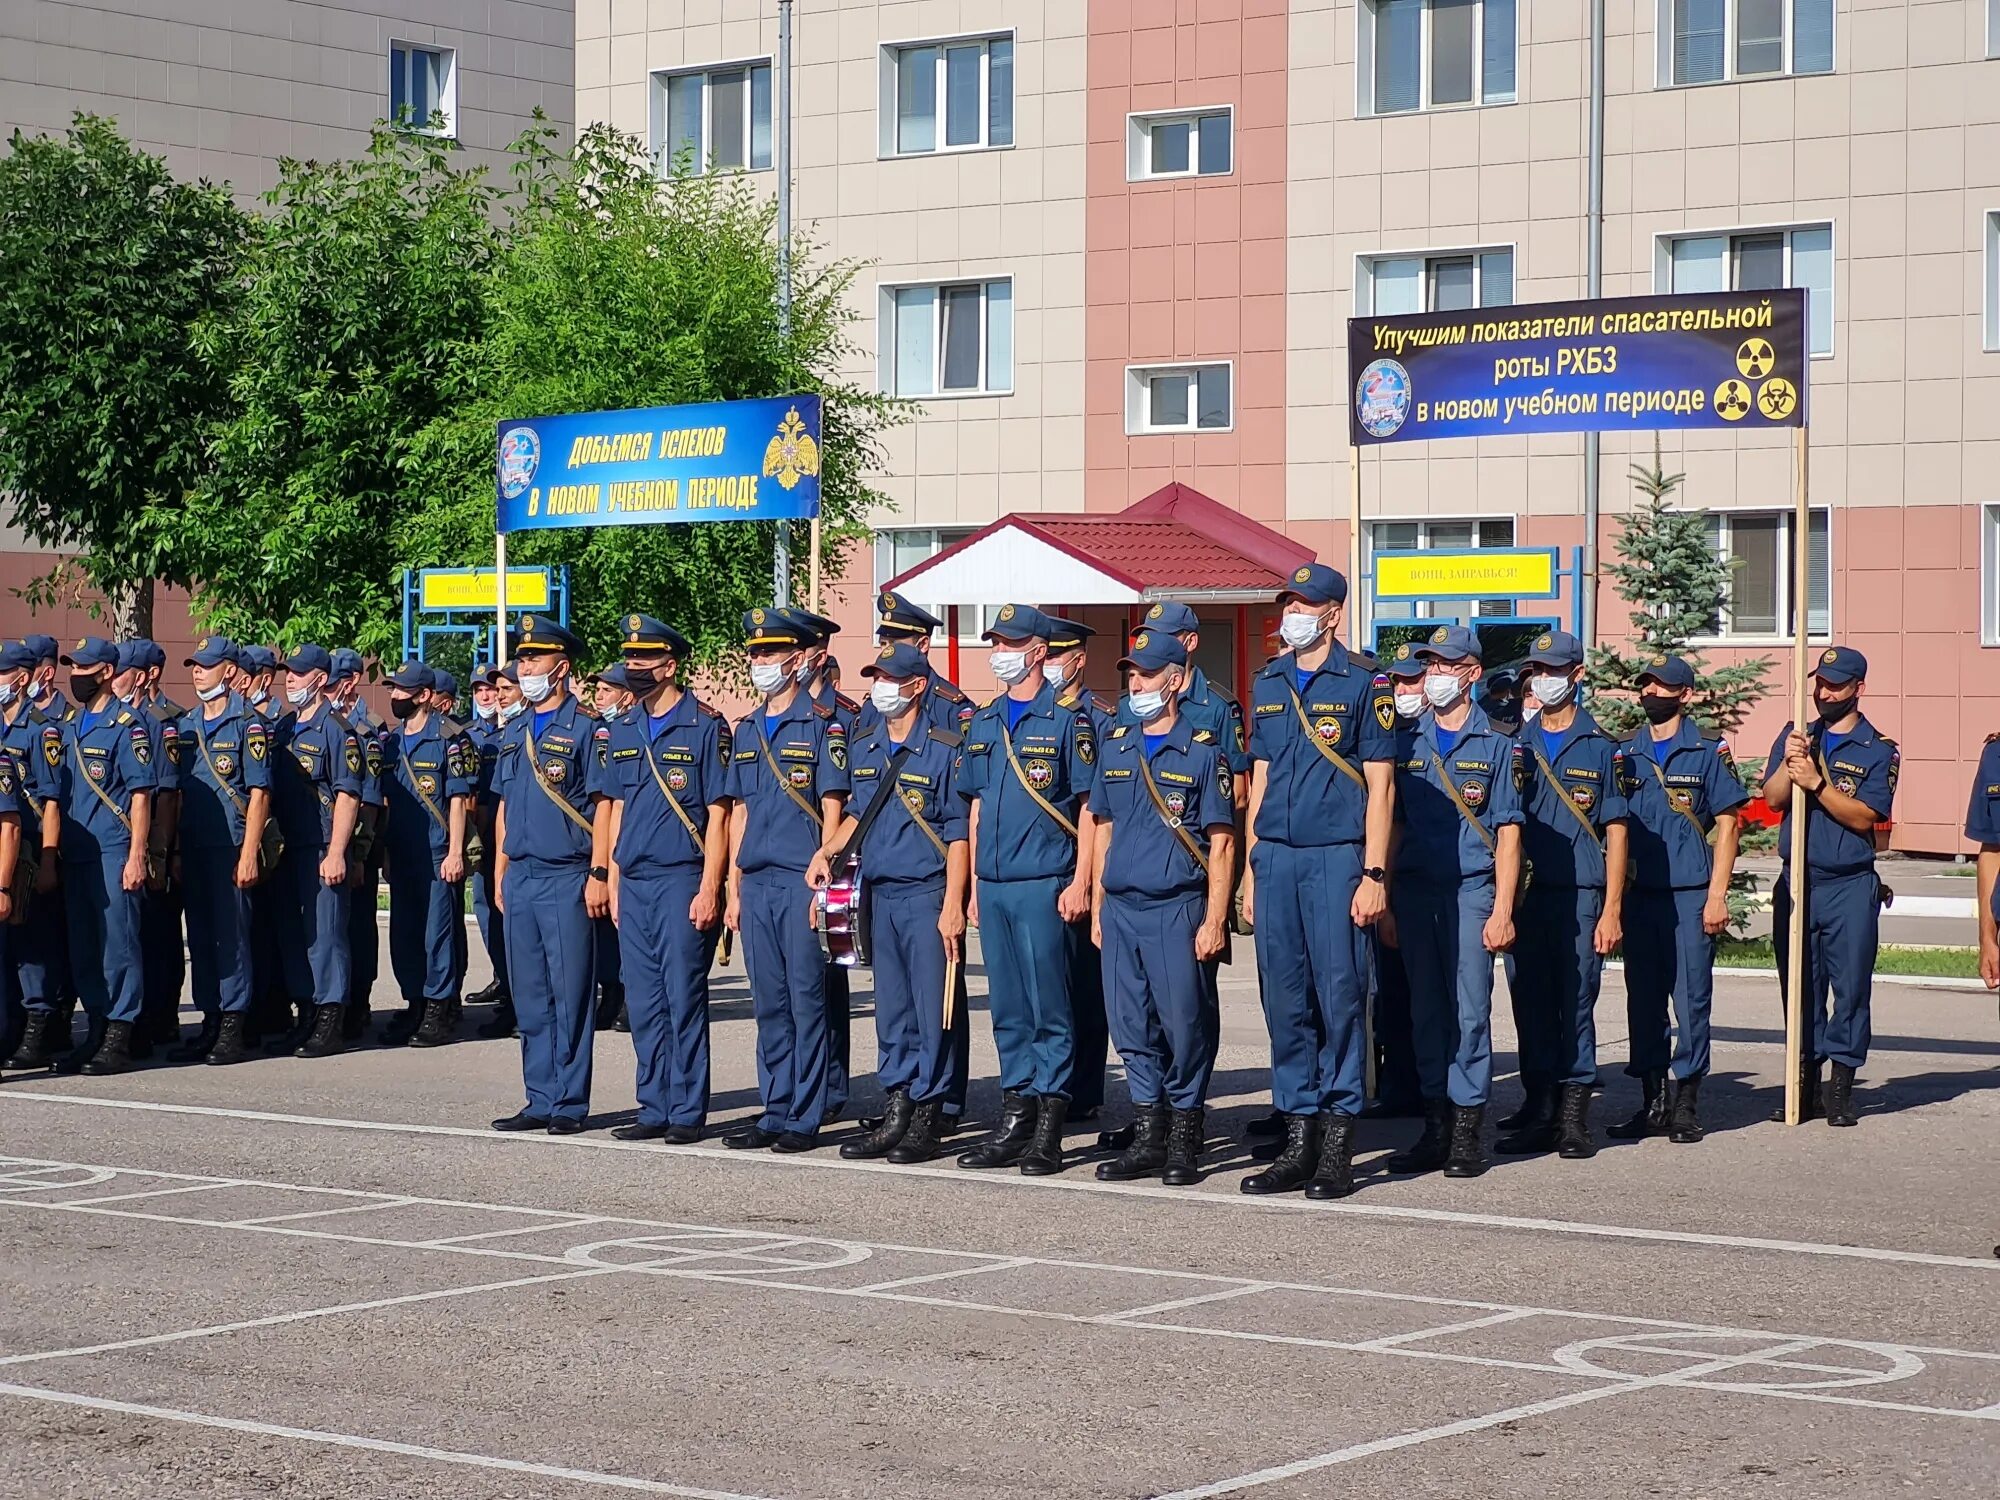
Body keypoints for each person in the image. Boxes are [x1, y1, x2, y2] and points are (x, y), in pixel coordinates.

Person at [1237, 564, 1396, 1200]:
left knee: (1341, 998)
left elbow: (1382, 786)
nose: (1291, 616)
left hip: (1337, 858)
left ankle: (1336, 1145)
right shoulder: (1269, 680)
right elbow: (1262, 781)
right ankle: (1297, 1138)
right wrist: (1252, 867)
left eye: (1304, 606)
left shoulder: (1365, 682)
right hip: (1277, 858)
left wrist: (1374, 873)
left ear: (1331, 613)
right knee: (1284, 1000)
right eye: (1288, 606)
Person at [808, 640, 968, 1162]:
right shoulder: (869, 744)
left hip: (926, 892)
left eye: (890, 678)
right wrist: (827, 852)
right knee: (891, 1009)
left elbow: (959, 834)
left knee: (929, 1007)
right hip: (882, 893)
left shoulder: (944, 748)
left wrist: (954, 903)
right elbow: (859, 812)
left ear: (917, 686)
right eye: (875, 677)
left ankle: (929, 1110)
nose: (880, 687)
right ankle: (897, 1102)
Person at [1086, 632, 1236, 1186]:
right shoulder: (1117, 746)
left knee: (1184, 1026)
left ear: (1173, 680)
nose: (1136, 686)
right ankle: (1148, 1132)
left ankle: (1183, 1134)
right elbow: (1103, 827)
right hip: (1122, 907)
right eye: (1131, 677)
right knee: (1130, 1026)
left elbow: (1221, 841)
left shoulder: (1202, 752)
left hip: (1177, 907)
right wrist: (1100, 905)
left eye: (1146, 676)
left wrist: (1215, 918)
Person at [954, 604, 1096, 1176]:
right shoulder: (985, 722)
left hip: (1045, 881)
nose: (999, 653)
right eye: (995, 642)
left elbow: (1089, 808)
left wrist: (1083, 879)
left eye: (1010, 643)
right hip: (994, 884)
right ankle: (1015, 1113)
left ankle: (1050, 1125)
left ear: (1038, 651)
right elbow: (976, 805)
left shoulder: (1066, 721)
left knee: (1050, 1007)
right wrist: (969, 887)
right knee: (1009, 1009)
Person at [1385, 625, 1524, 1179]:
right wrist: (1389, 897)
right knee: (1426, 1010)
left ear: (1470, 673)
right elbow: (1392, 826)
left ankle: (1467, 1131)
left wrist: (1503, 909)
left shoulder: (1496, 745)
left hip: (1470, 890)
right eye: (1430, 667)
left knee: (1469, 1011)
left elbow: (1510, 834)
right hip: (1416, 890)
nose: (1433, 676)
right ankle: (1435, 1124)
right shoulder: (1406, 741)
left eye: (1444, 666)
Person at [1495, 631, 1629, 1159]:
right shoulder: (1515, 743)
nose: (1542, 680)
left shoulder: (1602, 748)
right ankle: (1540, 1106)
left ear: (1577, 676)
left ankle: (1573, 1117)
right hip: (1529, 895)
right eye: (1536, 671)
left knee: (1574, 1005)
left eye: (1552, 671)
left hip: (1579, 895)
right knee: (1530, 1003)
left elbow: (1617, 832)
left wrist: (1612, 909)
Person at [722, 607, 849, 1152]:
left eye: (769, 654)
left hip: (802, 880)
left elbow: (834, 805)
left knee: (806, 999)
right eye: (755, 654)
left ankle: (805, 1111)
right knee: (769, 1002)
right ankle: (774, 1107)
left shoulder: (823, 724)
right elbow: (740, 812)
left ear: (797, 660)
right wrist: (731, 884)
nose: (760, 663)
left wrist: (826, 871)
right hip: (756, 881)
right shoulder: (747, 728)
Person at [601, 616, 729, 1144]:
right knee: (645, 1000)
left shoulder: (705, 724)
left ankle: (685, 1109)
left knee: (682, 996)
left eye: (644, 660)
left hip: (682, 878)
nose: (633, 667)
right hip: (634, 880)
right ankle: (652, 1105)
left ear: (669, 665)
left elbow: (719, 814)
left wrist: (710, 888)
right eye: (629, 659)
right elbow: (615, 807)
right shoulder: (625, 727)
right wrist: (609, 880)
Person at [1759, 646, 1897, 1129]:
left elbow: (1867, 816)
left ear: (1858, 688)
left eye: (1835, 685)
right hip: (1797, 882)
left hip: (1849, 885)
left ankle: (1841, 1087)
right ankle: (1804, 1084)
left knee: (1851, 988)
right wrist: (1791, 762)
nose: (1823, 693)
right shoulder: (1797, 733)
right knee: (1799, 986)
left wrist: (1817, 783)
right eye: (1819, 683)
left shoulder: (1878, 749)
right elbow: (1772, 798)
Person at [1613, 655, 1747, 1144]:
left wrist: (1717, 896)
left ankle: (1686, 1101)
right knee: (1643, 1001)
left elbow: (1731, 823)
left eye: (1662, 686)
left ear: (1685, 695)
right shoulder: (1624, 751)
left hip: (1691, 895)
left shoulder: (1709, 751)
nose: (1652, 692)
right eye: (1646, 683)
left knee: (1691, 1001)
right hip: (1640, 896)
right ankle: (1651, 1102)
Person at [491, 615, 611, 1136]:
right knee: (530, 993)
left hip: (566, 873)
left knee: (570, 991)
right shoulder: (515, 729)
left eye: (533, 660)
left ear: (560, 669)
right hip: (520, 875)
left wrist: (599, 870)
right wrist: (499, 869)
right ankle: (538, 1096)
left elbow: (605, 804)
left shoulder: (587, 728)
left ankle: (568, 1100)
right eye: (522, 660)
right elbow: (502, 808)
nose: (524, 668)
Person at [48, 637, 158, 1075]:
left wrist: (137, 855)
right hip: (78, 854)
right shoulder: (72, 724)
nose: (76, 675)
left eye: (85, 668)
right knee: (85, 947)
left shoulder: (127, 725)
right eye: (73, 667)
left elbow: (141, 796)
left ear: (107, 672)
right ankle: (95, 1027)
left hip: (114, 851)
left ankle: (119, 1032)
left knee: (119, 946)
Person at [170, 637, 274, 1065]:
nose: (198, 672)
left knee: (232, 937)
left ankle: (234, 1022)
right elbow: (175, 794)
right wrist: (174, 849)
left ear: (229, 672)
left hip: (231, 845)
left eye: (207, 666)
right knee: (200, 935)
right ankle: (210, 1018)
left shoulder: (247, 724)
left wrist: (250, 852)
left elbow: (260, 793)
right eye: (195, 665)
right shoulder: (187, 723)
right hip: (194, 845)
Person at [268, 645, 365, 1059]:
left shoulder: (337, 730)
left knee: (326, 937)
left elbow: (347, 795)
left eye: (299, 673)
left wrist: (339, 851)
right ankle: (305, 1011)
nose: (290, 679)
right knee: (294, 935)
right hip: (288, 846)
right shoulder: (286, 726)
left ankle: (330, 1016)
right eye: (288, 672)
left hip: (322, 845)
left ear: (320, 679)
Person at [1042, 617, 1117, 1126]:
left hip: (1078, 864)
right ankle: (1049, 1086)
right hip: (1040, 867)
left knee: (1084, 987)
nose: (1049, 665)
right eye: (1043, 654)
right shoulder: (1033, 718)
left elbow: (1101, 807)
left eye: (1057, 655)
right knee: (1047, 989)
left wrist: (1089, 879)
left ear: (1078, 659)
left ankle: (1084, 1087)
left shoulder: (1100, 719)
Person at [785, 607, 860, 1121]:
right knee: (794, 991)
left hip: (831, 862)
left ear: (819, 655)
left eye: (802, 650)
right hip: (782, 862)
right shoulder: (776, 714)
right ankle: (800, 1085)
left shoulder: (846, 718)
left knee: (826, 982)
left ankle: (831, 1086)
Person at [381, 660, 474, 1049]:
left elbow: (458, 800)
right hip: (402, 851)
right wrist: (385, 851)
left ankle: (439, 1006)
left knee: (438, 934)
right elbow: (386, 800)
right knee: (405, 933)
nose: (394, 696)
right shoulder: (391, 742)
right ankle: (415, 1001)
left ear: (423, 696)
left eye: (402, 690)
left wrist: (455, 851)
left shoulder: (450, 738)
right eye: (393, 689)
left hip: (437, 851)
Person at [1365, 644, 1429, 1119]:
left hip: (1429, 881)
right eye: (1398, 682)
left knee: (1429, 993)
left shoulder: (1435, 735)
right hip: (1391, 880)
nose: (1404, 691)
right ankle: (1398, 1086)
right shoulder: (1384, 735)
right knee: (1390, 992)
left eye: (1413, 681)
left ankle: (1435, 1092)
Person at [0, 639, 69, 1071]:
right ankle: (11, 1026)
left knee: (34, 946)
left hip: (31, 848)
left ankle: (39, 1026)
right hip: (6, 847)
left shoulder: (42, 729)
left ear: (21, 679)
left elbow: (53, 801)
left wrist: (47, 860)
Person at [329, 648, 389, 1042]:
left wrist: (360, 854)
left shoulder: (370, 730)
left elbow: (369, 800)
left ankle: (359, 1002)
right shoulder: (322, 724)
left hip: (358, 845)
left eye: (334, 682)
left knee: (358, 926)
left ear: (349, 683)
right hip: (327, 841)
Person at [476, 664, 526, 1039]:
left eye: (507, 688)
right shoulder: (503, 735)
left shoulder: (526, 731)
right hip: (499, 844)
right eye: (497, 689)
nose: (498, 695)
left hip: (533, 850)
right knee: (499, 927)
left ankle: (521, 1005)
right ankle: (509, 996)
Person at [465, 665, 512, 1029]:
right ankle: (501, 974)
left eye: (490, 690)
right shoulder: (468, 736)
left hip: (510, 832)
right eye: (479, 690)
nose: (486, 696)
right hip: (482, 835)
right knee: (484, 907)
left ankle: (513, 986)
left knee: (508, 910)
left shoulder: (511, 732)